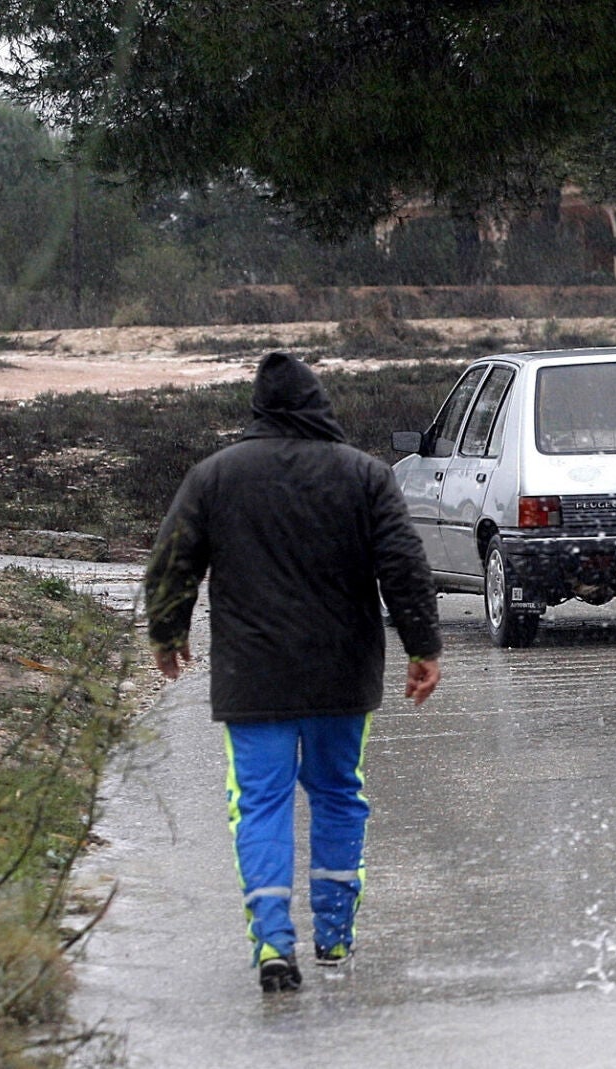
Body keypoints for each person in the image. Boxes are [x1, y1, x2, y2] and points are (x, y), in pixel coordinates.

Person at [145, 352, 442, 993]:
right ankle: (334, 938)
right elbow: (404, 566)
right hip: (342, 674)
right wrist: (424, 647)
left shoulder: (215, 476)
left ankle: (274, 943)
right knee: (338, 796)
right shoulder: (364, 476)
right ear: (320, 404)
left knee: (259, 806)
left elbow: (172, 562)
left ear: (258, 409)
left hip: (253, 680)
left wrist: (168, 633)